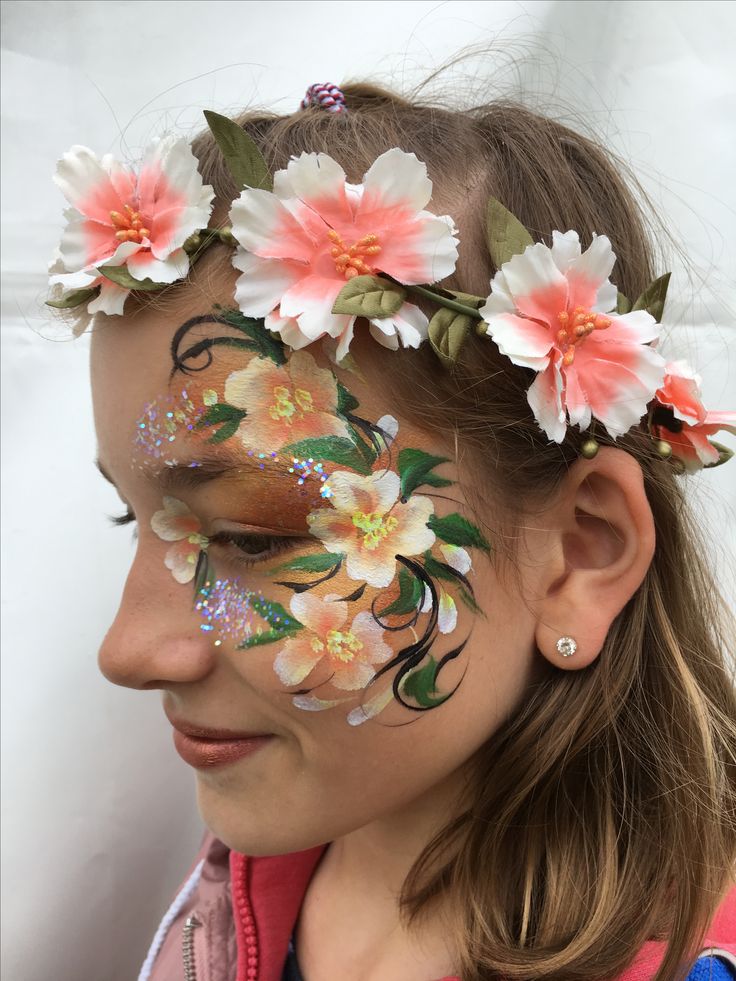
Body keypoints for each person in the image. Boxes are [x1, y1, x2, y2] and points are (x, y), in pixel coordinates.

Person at [46, 78, 736, 981]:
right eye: (130, 518)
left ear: (581, 553)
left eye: (252, 537)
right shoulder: (273, 860)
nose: (129, 650)